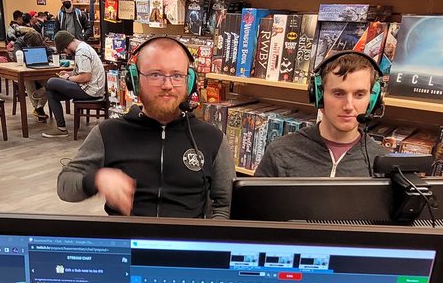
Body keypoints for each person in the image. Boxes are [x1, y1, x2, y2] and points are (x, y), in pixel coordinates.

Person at [57, 35, 233, 218]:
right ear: (134, 80)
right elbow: (65, 184)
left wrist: (210, 233)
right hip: (127, 235)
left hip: (188, 237)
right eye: (156, 74)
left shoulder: (213, 139)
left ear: (189, 82)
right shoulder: (108, 133)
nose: (167, 85)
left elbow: (225, 203)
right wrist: (96, 179)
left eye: (177, 75)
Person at [254, 50, 390, 177]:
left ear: (373, 99)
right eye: (338, 94)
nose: (348, 106)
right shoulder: (281, 152)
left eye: (359, 95)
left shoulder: (384, 165)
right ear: (319, 96)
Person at [42, 30, 105, 138]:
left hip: (90, 90)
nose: (66, 53)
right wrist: (70, 74)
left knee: (51, 82)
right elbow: (84, 72)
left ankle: (40, 94)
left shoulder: (81, 52)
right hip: (91, 88)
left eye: (64, 50)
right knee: (51, 92)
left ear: (66, 46)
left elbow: (86, 77)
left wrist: (68, 78)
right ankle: (61, 129)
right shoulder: (84, 47)